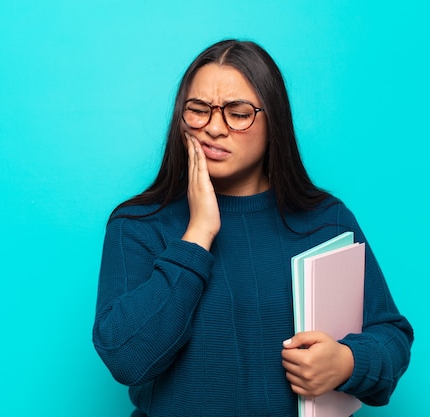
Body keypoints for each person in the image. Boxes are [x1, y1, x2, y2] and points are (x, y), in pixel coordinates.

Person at [92, 39, 413, 417]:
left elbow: (391, 336)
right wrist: (198, 235)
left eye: (237, 113)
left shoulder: (327, 220)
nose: (213, 128)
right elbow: (126, 359)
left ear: (272, 120)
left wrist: (347, 362)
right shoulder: (139, 225)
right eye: (198, 110)